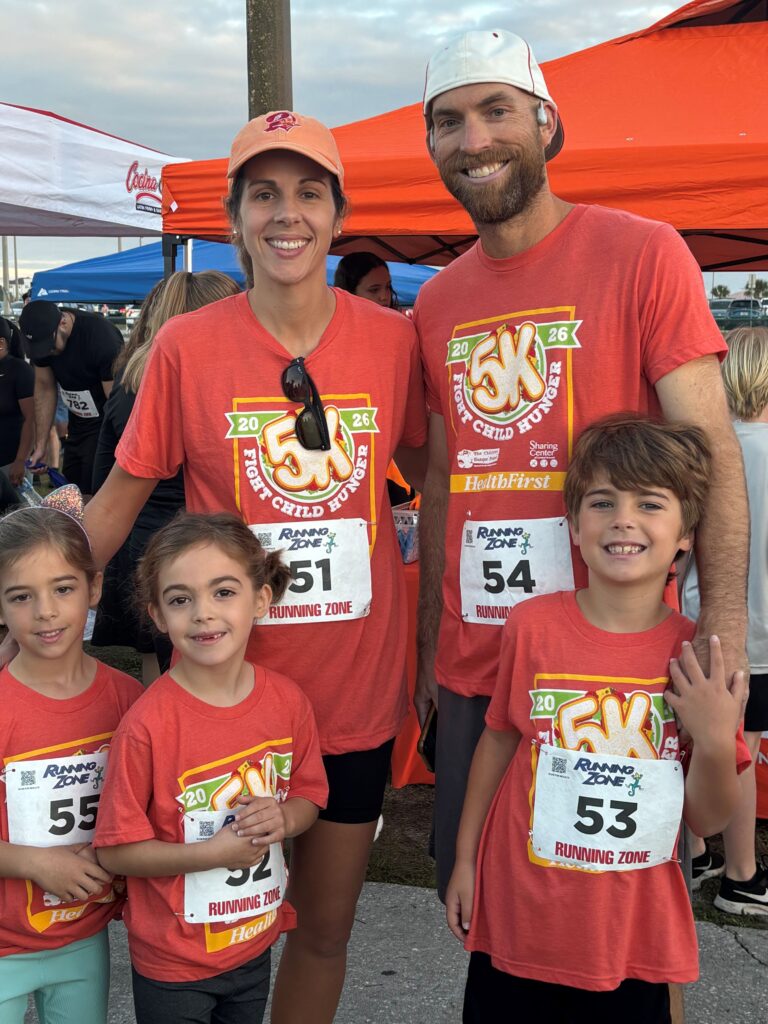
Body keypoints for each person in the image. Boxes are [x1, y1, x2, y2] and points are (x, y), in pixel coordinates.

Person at [81, 110, 427, 1023]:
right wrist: (25, 617)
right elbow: (115, 504)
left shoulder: (392, 342)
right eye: (264, 194)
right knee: (208, 936)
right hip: (219, 701)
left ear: (339, 214)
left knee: (323, 931)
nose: (287, 214)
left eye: (309, 192)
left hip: (352, 697)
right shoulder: (188, 348)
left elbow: (444, 483)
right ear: (235, 218)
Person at [413, 27, 748, 903]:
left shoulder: (644, 252)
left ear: (548, 125)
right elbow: (445, 480)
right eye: (449, 121)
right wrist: (428, 646)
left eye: (497, 111)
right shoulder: (437, 301)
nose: (474, 138)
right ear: (433, 146)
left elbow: (711, 451)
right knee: (483, 909)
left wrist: (722, 630)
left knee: (620, 918)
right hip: (480, 661)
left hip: (615, 667)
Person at [446, 416, 749, 1022]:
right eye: (603, 501)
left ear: (686, 533)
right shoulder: (531, 626)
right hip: (519, 918)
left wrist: (716, 740)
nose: (623, 519)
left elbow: (707, 818)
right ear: (574, 523)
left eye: (650, 504)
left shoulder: (696, 657)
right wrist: (465, 857)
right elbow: (499, 742)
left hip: (630, 935)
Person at [94, 512, 328, 1024]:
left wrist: (285, 817)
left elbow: (309, 796)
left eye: (223, 592)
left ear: (260, 599)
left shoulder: (288, 703)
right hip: (173, 961)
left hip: (254, 941)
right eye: (181, 600)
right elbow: (115, 851)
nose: (203, 613)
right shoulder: (147, 726)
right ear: (158, 615)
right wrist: (210, 855)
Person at [0, 490, 143, 1023]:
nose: (45, 611)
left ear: (94, 587)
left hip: (83, 937)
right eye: (21, 596)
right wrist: (35, 863)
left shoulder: (129, 701)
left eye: (63, 588)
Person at [90, 271, 241, 684]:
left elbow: (103, 473)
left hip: (143, 537)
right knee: (201, 664)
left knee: (161, 650)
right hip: (191, 539)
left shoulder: (129, 379)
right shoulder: (185, 382)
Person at [682, 326, 768, 914]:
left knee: (699, 740)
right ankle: (742, 876)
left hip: (700, 618)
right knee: (741, 750)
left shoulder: (707, 451)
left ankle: (696, 854)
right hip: (757, 633)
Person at [19, 301, 123, 495]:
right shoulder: (41, 335)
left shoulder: (101, 338)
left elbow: (116, 401)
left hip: (105, 423)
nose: (47, 353)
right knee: (73, 487)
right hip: (77, 425)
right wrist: (41, 445)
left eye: (50, 347)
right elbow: (45, 388)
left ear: (63, 323)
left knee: (96, 490)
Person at [0, 316, 34, 493]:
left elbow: (31, 419)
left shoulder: (20, 370)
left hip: (10, 462)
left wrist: (21, 460)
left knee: (15, 509)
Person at [333, 251, 399, 309]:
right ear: (350, 293)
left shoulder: (398, 318)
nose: (384, 297)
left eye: (388, 287)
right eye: (374, 290)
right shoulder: (333, 319)